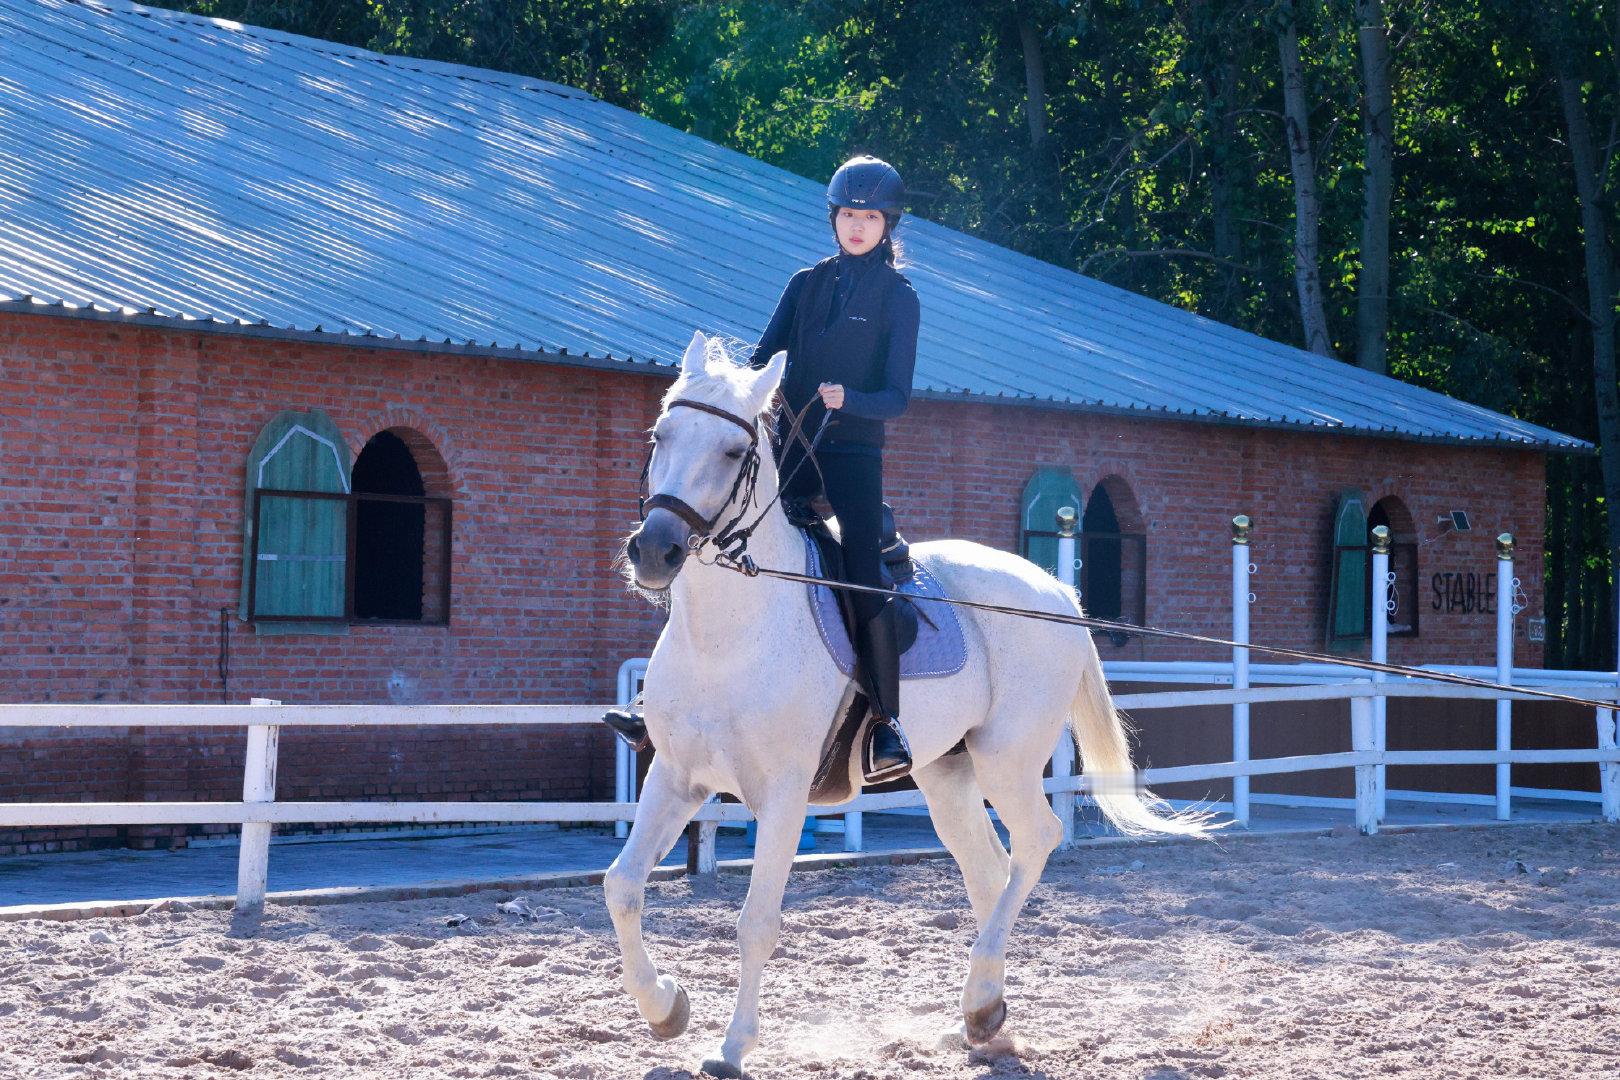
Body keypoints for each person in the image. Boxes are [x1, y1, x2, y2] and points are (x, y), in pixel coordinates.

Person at [605, 154, 919, 785]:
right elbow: (761, 360)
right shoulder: (805, 284)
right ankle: (656, 705)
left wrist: (849, 401)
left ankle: (887, 721)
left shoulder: (899, 297)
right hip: (789, 449)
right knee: (706, 542)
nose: (857, 226)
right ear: (835, 220)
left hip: (854, 455)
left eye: (870, 217)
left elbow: (898, 397)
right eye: (848, 215)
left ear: (888, 225)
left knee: (860, 568)